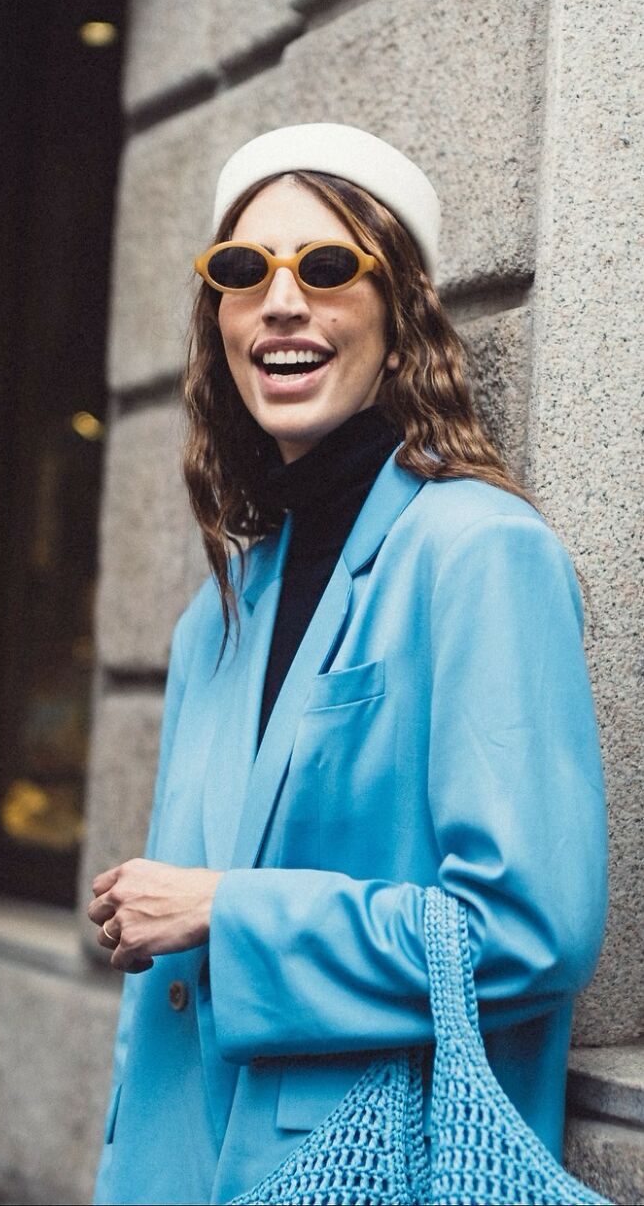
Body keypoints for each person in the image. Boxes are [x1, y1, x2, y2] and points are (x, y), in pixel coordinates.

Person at [89, 124, 608, 1206]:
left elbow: (527, 929)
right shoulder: (218, 613)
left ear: (398, 310)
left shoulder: (478, 552)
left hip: (370, 1169)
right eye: (244, 271)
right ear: (218, 321)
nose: (282, 301)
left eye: (327, 267)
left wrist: (226, 909)